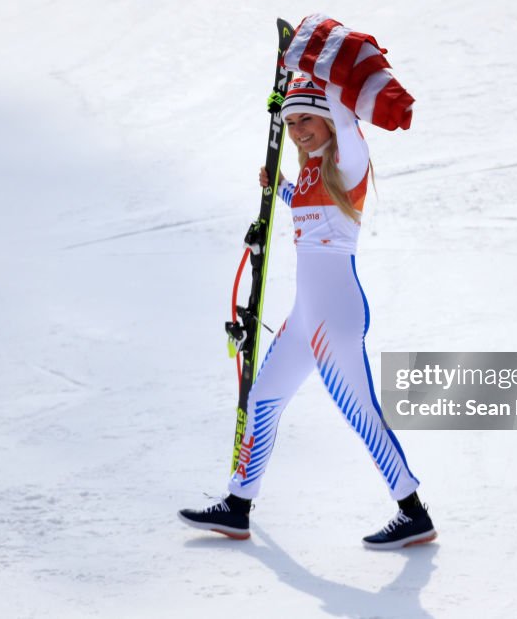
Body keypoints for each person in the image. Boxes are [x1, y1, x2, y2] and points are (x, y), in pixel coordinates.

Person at [178, 76, 436, 550]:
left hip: (334, 314)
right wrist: (280, 188)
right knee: (264, 400)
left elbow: (345, 121)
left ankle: (413, 513)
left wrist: (313, 68)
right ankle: (238, 505)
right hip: (305, 316)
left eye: (306, 120)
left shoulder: (349, 160)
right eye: (291, 123)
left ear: (330, 120)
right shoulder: (316, 173)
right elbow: (308, 212)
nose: (298, 131)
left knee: (361, 415)